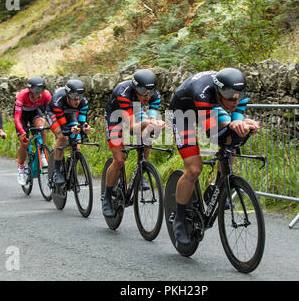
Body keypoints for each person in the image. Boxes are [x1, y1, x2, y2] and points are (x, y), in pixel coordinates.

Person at [169, 68, 260, 246]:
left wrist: (244, 126)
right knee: (194, 169)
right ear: (218, 92)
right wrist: (232, 125)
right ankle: (179, 217)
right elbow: (212, 135)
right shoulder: (202, 92)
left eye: (238, 96)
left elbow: (234, 125)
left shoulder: (238, 96)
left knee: (233, 139)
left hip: (211, 107)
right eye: (229, 96)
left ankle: (217, 187)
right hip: (183, 112)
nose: (234, 100)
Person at [102, 69, 165, 217]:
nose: (147, 96)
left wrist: (155, 124)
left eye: (150, 92)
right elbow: (132, 127)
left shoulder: (153, 96)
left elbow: (151, 120)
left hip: (135, 110)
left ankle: (142, 167)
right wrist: (146, 122)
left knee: (147, 132)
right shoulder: (123, 92)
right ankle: (107, 196)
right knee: (119, 160)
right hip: (115, 115)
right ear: (135, 87)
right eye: (142, 91)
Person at [46, 79, 92, 185]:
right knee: (62, 137)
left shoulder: (83, 102)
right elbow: (64, 128)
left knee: (77, 145)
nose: (77, 101)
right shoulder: (58, 99)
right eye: (74, 98)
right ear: (67, 95)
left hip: (70, 114)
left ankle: (71, 171)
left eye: (79, 98)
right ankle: (57, 171)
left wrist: (85, 128)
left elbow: (82, 122)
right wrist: (70, 130)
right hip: (54, 113)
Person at [14, 77, 52, 185]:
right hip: (22, 116)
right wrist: (22, 132)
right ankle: (21, 168)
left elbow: (51, 112)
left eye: (42, 91)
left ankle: (43, 153)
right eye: (37, 92)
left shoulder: (46, 95)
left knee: (42, 127)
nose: (40, 95)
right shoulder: (22, 95)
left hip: (35, 112)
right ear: (30, 91)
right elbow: (17, 118)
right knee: (24, 142)